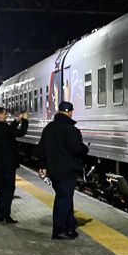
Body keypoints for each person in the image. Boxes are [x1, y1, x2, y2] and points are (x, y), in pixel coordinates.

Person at [35, 101, 89, 239]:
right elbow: (78, 149)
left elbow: (41, 150)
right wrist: (85, 149)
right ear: (70, 112)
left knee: (65, 198)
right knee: (63, 200)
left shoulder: (48, 128)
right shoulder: (71, 130)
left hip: (53, 171)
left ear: (59, 111)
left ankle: (70, 226)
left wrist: (43, 166)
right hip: (67, 170)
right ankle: (59, 230)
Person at [0, 106, 28, 224]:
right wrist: (24, 120)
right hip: (8, 164)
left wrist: (16, 121)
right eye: (5, 114)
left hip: (0, 163)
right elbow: (20, 132)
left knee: (1, 190)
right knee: (8, 190)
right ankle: (6, 216)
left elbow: (9, 131)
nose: (6, 116)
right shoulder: (2, 128)